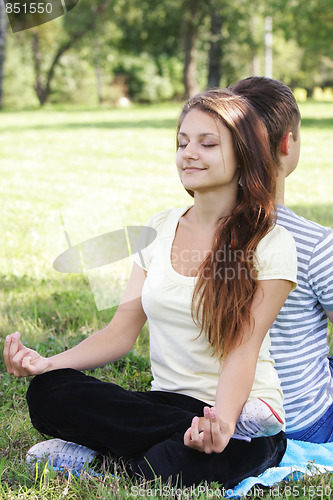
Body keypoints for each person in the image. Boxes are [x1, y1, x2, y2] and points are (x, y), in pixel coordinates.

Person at [3, 89, 297, 488]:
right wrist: (48, 364)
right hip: (167, 405)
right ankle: (170, 441)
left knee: (175, 468)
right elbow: (120, 332)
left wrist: (223, 420)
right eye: (182, 142)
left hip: (239, 409)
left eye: (207, 143)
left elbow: (243, 350)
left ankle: (105, 458)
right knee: (48, 393)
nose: (189, 153)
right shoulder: (159, 228)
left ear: (244, 153)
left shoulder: (269, 242)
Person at [231, 76, 333, 442]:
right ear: (288, 143)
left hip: (220, 414)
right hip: (302, 422)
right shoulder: (316, 242)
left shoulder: (198, 231)